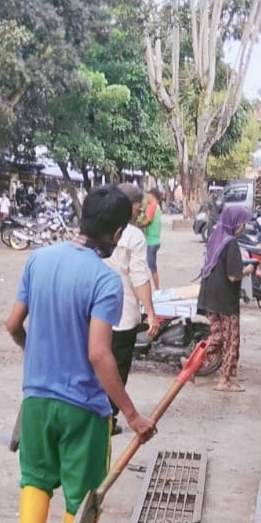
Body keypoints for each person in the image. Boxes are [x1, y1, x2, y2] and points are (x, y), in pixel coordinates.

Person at [4, 185, 156, 523]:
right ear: (119, 231)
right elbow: (99, 354)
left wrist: (35, 355)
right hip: (83, 408)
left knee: (35, 478)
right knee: (83, 491)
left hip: (36, 400)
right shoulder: (104, 280)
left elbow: (13, 324)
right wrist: (131, 413)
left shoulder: (39, 260)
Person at [106, 183, 160, 436]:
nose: (139, 212)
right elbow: (139, 277)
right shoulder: (133, 236)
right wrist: (150, 312)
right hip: (123, 314)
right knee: (117, 369)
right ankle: (107, 418)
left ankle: (97, 415)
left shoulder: (98, 228)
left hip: (93, 315)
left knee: (94, 364)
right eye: (138, 207)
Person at [197, 206, 254, 393]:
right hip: (226, 300)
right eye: (242, 223)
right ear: (235, 224)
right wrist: (247, 271)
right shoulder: (231, 244)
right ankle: (225, 380)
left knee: (217, 335)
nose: (243, 227)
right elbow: (233, 276)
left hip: (210, 297)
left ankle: (193, 362)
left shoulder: (215, 238)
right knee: (231, 340)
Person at [138, 187, 163, 290]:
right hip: (154, 240)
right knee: (150, 266)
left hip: (151, 241)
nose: (146, 198)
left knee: (151, 267)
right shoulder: (157, 206)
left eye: (147, 195)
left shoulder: (152, 206)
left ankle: (156, 289)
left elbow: (147, 220)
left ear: (152, 196)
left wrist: (137, 224)